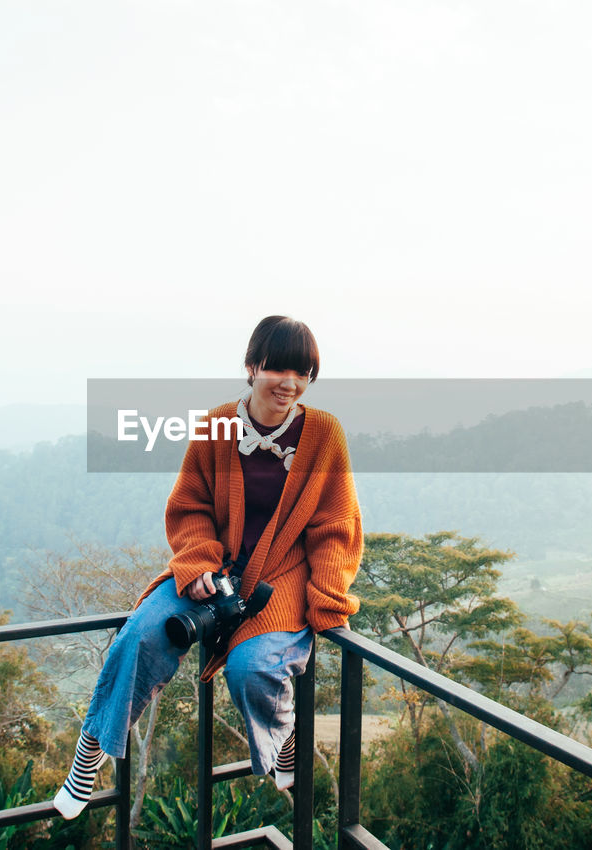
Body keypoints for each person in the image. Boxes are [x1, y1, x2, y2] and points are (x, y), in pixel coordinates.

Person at [54, 315, 364, 819]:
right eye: (278, 368)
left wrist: (328, 603)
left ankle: (283, 738)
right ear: (251, 366)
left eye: (303, 372)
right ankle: (91, 750)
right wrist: (198, 561)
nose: (290, 383)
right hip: (211, 569)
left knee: (253, 667)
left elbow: (334, 526)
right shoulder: (216, 425)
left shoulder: (324, 433)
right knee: (140, 636)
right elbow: (190, 506)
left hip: (279, 576)